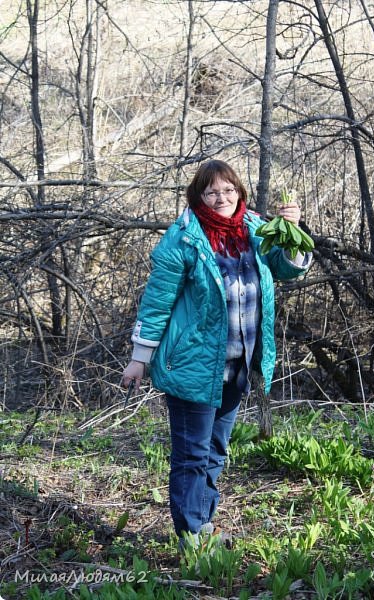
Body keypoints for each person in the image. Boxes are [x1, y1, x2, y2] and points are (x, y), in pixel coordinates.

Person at [122, 160, 312, 549]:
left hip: (239, 364)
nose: (221, 198)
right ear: (199, 197)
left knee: (216, 450)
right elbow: (157, 302)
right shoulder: (184, 238)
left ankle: (202, 524)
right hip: (193, 364)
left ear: (239, 192)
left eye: (228, 190)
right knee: (192, 453)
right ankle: (192, 535)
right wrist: (140, 357)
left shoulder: (256, 229)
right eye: (212, 192)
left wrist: (294, 231)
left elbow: (288, 269)